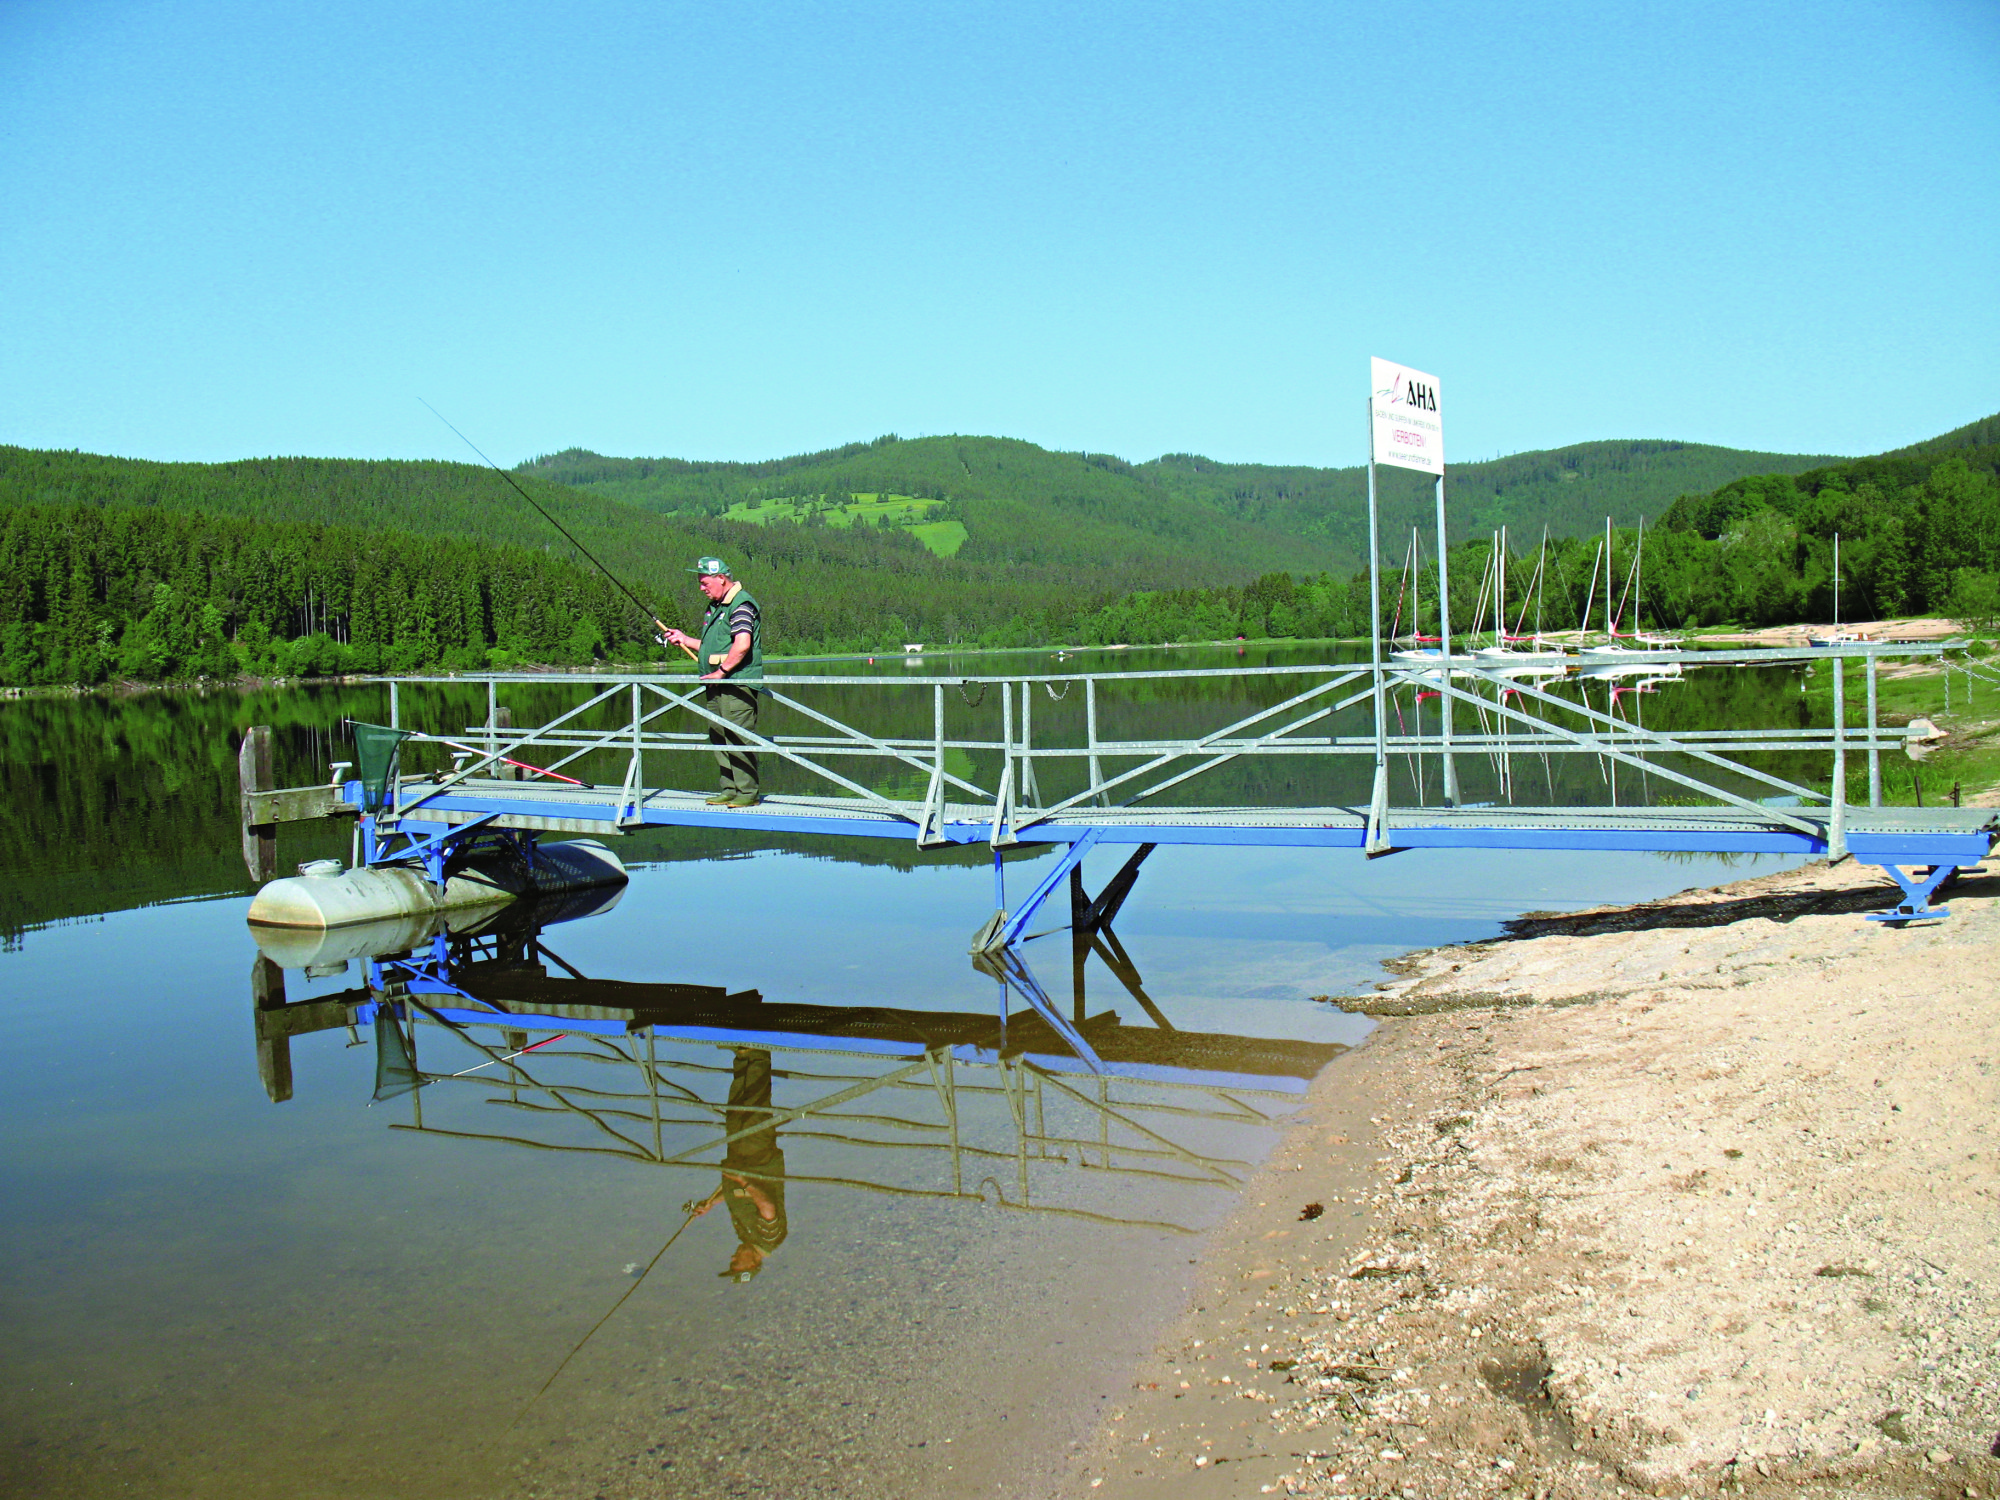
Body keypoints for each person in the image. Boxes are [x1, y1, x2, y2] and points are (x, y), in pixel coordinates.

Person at [660, 557, 764, 808]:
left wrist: (721, 672)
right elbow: (711, 647)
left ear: (721, 579)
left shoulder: (741, 604)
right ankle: (729, 789)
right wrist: (684, 639)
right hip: (717, 685)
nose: (701, 588)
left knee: (738, 738)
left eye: (705, 582)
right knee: (719, 737)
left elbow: (742, 645)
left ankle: (747, 793)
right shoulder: (717, 607)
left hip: (736, 685)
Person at [690, 1046, 788, 1283]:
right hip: (759, 1159)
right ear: (753, 1263)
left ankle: (743, 1057)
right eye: (736, 1263)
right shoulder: (769, 1240)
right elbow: (767, 1206)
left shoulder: (745, 1235)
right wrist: (744, 1179)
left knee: (735, 1112)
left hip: (740, 1158)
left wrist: (711, 1203)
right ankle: (759, 1052)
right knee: (755, 1106)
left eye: (732, 1263)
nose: (732, 1259)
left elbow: (739, 1195)